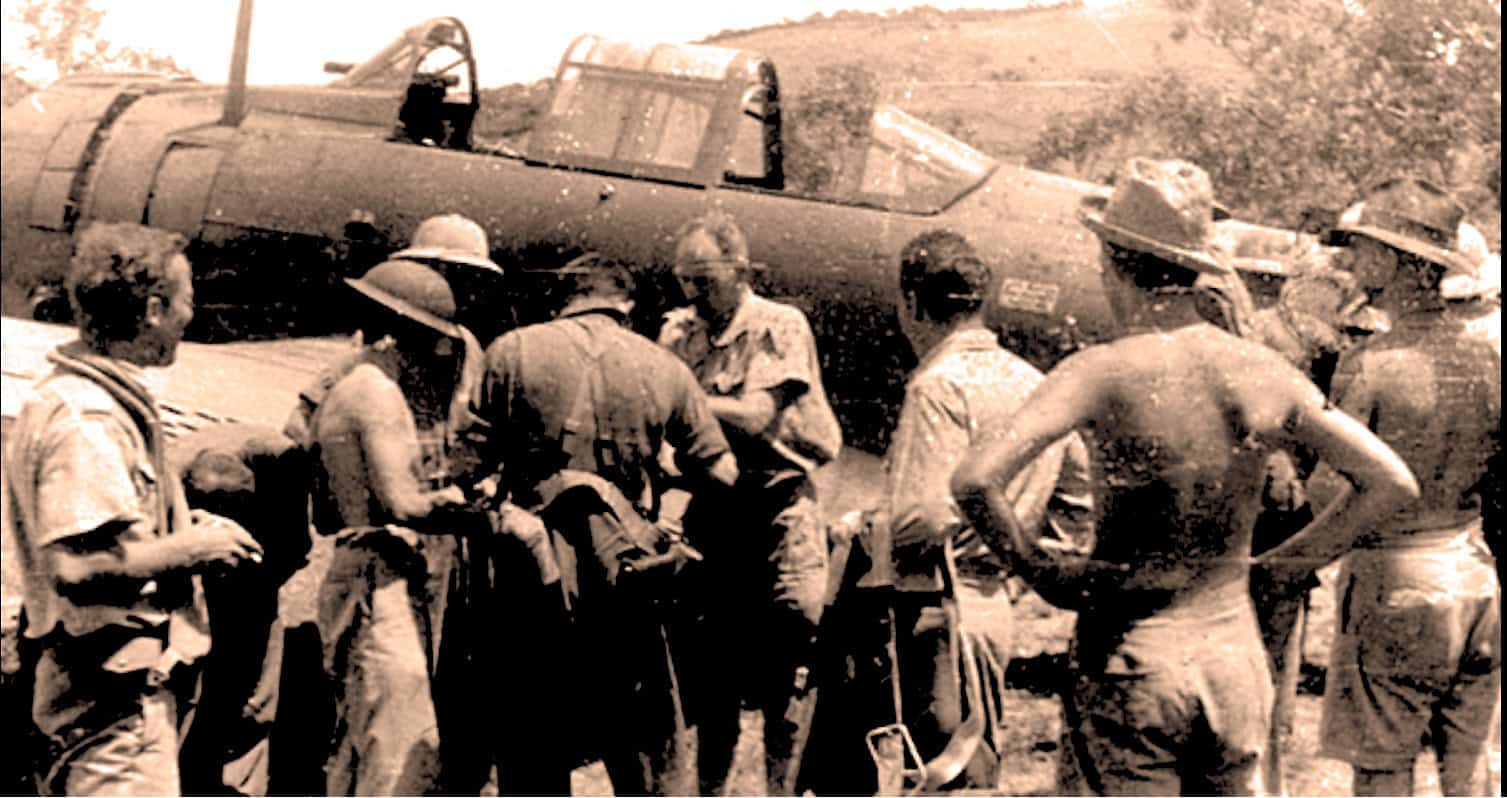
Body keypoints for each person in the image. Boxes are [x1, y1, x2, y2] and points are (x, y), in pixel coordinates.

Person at [951, 158, 1420, 796]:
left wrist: (1042, 571)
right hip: (1233, 658)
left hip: (1135, 659)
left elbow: (975, 479)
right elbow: (1391, 482)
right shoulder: (1260, 369)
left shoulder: (1099, 371)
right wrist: (1283, 567)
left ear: (1113, 260)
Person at [459, 252, 737, 795]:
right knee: (637, 739)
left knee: (532, 743)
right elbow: (723, 471)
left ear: (568, 298)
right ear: (625, 305)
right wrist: (667, 503)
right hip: (626, 578)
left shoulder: (512, 350)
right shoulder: (665, 367)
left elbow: (466, 468)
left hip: (532, 577)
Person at [3, 222, 263, 796]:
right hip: (112, 710)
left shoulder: (80, 397)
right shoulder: (89, 421)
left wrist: (180, 526)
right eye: (186, 300)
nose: (191, 315)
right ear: (152, 311)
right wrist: (193, 548)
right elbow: (77, 567)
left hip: (109, 696)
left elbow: (107, 530)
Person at [882, 230, 1094, 791]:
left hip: (936, 606)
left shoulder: (937, 386)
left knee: (934, 775)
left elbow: (923, 518)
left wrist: (867, 528)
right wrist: (1018, 572)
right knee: (973, 770)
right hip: (994, 605)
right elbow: (1076, 508)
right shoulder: (1034, 382)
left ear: (911, 302)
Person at [1314, 178, 1501, 797]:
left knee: (1383, 765)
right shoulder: (1488, 359)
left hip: (1396, 582)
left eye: (1363, 249)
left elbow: (1328, 493)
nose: (1351, 261)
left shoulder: (1371, 363)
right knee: (1470, 770)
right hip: (1475, 578)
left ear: (1394, 262)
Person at [658, 210, 843, 795]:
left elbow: (758, 414)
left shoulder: (779, 325)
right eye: (684, 279)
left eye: (705, 279)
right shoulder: (678, 334)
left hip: (780, 510)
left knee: (788, 670)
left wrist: (680, 394)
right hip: (716, 514)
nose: (694, 293)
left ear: (740, 271)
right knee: (713, 680)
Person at [308, 257, 485, 796]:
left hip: (368, 568)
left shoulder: (358, 384)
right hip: (375, 577)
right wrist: (463, 503)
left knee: (360, 745)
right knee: (400, 747)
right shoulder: (376, 392)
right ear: (400, 333)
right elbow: (404, 503)